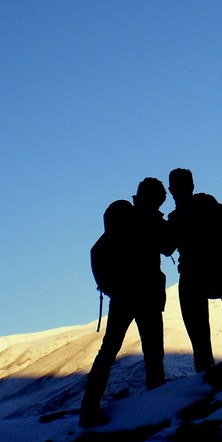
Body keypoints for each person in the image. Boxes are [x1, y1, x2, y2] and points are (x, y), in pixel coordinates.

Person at [80, 178, 174, 428]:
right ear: (155, 198)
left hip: (122, 295)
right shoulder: (151, 221)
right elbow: (168, 246)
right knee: (153, 353)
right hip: (147, 295)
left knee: (108, 351)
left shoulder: (121, 218)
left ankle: (88, 409)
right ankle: (157, 407)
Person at [167, 168, 222, 374]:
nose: (182, 190)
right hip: (209, 276)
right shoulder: (185, 215)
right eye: (179, 186)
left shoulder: (201, 209)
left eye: (183, 185)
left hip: (207, 275)